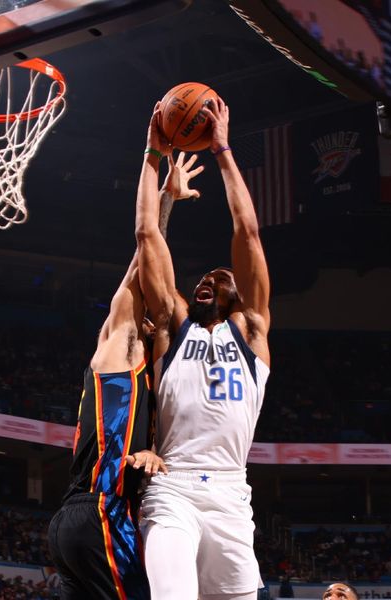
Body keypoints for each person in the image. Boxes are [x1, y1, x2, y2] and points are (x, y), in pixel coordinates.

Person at [47, 152, 204, 600]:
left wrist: (152, 454)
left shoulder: (153, 389)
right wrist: (165, 195)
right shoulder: (121, 354)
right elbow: (143, 255)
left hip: (81, 522)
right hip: (101, 513)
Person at [135, 97, 271, 600]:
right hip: (174, 487)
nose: (208, 281)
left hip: (233, 497)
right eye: (203, 278)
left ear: (240, 297)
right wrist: (152, 155)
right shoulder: (174, 328)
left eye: (221, 277)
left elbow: (249, 232)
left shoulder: (253, 333)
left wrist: (223, 150)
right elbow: (147, 234)